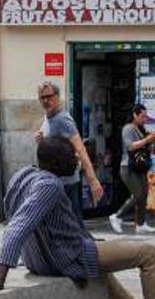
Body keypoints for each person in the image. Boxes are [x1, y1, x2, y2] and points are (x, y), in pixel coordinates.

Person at [0, 137, 155, 299]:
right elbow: (16, 227)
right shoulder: (49, 186)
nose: (76, 160)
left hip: (38, 259)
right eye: (71, 157)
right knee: (149, 253)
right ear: (55, 163)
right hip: (64, 258)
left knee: (100, 258)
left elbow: (15, 214)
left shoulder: (23, 175)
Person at [34, 81, 104, 221]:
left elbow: (80, 149)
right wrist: (40, 140)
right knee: (65, 224)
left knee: (72, 224)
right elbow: (53, 146)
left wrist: (93, 180)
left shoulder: (62, 120)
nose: (46, 100)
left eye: (49, 96)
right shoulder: (49, 117)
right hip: (55, 181)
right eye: (43, 98)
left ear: (57, 97)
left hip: (66, 183)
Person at [109, 104, 155, 234]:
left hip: (139, 166)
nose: (145, 119)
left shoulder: (139, 129)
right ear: (134, 115)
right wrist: (147, 140)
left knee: (144, 195)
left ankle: (140, 224)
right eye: (142, 116)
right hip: (128, 167)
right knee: (137, 194)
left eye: (146, 117)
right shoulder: (128, 128)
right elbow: (130, 147)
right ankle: (117, 216)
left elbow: (142, 147)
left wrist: (152, 140)